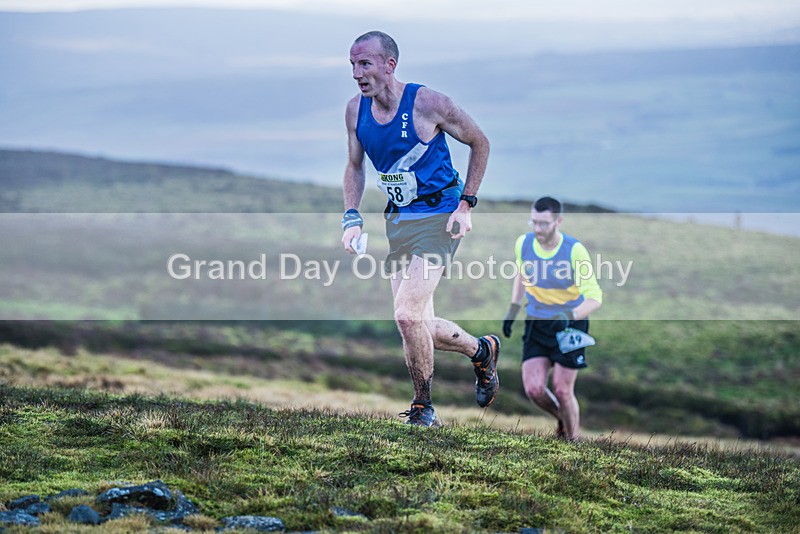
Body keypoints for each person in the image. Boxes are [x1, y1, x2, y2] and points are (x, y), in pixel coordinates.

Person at [340, 31, 499, 427]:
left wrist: (466, 203)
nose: (357, 74)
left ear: (389, 65)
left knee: (407, 315)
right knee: (417, 324)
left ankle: (423, 408)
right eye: (353, 65)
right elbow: (355, 165)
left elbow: (480, 142)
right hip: (399, 220)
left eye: (365, 64)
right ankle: (481, 351)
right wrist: (351, 216)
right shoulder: (355, 111)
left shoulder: (427, 103)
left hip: (440, 216)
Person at [502, 197, 603, 440]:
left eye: (544, 224)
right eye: (533, 222)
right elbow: (522, 274)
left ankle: (573, 441)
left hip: (570, 326)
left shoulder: (574, 250)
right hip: (537, 322)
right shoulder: (523, 244)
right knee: (534, 389)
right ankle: (564, 420)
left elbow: (595, 298)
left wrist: (568, 315)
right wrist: (513, 308)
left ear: (558, 221)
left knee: (562, 390)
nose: (537, 229)